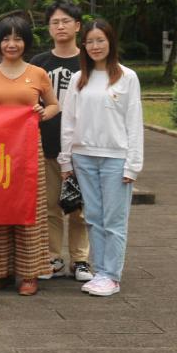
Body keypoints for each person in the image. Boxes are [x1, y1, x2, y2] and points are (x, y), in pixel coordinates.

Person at [0, 15, 58, 296]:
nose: (12, 44)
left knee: (29, 209)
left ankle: (30, 274)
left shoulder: (38, 73)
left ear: (26, 43)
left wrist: (43, 112)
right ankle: (0, 273)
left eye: (18, 38)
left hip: (29, 150)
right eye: (6, 38)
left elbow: (54, 105)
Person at [59, 19, 144, 298]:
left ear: (110, 42)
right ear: (83, 45)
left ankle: (111, 275)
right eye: (90, 41)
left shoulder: (127, 77)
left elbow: (134, 122)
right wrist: (66, 160)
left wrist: (133, 165)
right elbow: (69, 122)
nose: (95, 46)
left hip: (115, 159)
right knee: (93, 218)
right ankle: (100, 272)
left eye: (100, 40)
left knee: (114, 220)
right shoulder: (78, 79)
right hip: (84, 157)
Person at [31, 0, 91, 283]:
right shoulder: (39, 64)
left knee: (80, 209)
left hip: (82, 147)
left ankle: (80, 260)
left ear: (77, 26)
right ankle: (53, 256)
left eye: (66, 21)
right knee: (50, 206)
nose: (60, 26)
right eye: (54, 22)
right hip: (46, 144)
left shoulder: (89, 60)